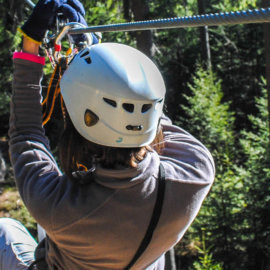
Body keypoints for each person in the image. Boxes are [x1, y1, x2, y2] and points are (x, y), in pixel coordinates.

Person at [0, 0, 215, 269]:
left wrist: (31, 46)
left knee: (4, 229)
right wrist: (88, 55)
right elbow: (147, 116)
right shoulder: (196, 171)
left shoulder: (58, 206)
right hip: (138, 257)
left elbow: (25, 134)